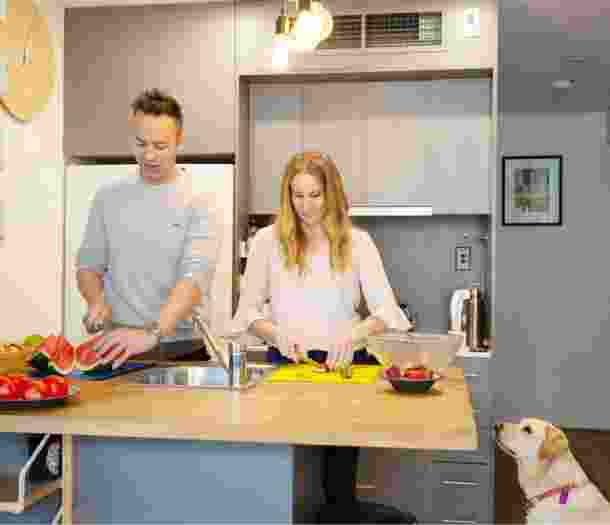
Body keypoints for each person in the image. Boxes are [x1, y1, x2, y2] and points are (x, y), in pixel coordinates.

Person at [231, 151, 415, 524]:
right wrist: (277, 335)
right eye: (297, 195)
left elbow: (388, 313)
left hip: (345, 369)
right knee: (287, 472)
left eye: (315, 195)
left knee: (336, 480)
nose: (306, 206)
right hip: (287, 368)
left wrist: (353, 335)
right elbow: (247, 313)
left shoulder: (357, 241)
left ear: (331, 194)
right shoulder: (268, 241)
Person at [76, 89, 221, 368]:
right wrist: (96, 301)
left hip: (181, 347)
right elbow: (88, 266)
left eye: (160, 145)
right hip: (118, 345)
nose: (150, 155)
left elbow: (194, 279)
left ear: (179, 140)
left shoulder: (201, 199)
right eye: (141, 144)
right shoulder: (108, 196)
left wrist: (152, 333)